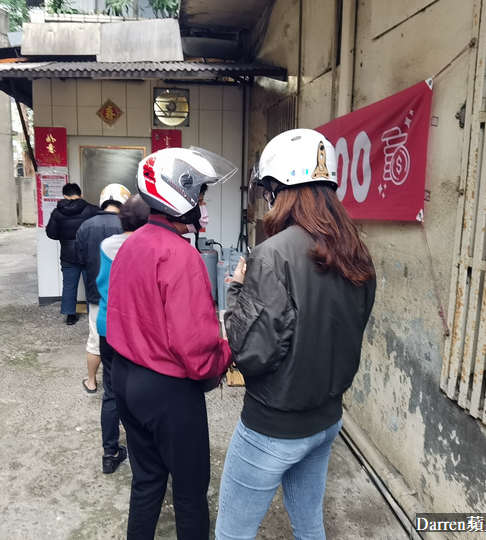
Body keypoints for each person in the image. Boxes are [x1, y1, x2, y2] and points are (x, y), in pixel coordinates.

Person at [215, 129, 376, 540]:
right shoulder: (355, 249)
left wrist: (236, 289)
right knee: (309, 526)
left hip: (273, 426)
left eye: (269, 191)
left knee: (233, 533)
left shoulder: (271, 254)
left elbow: (249, 353)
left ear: (278, 191)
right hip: (327, 419)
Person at [106, 147, 236, 539]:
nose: (203, 202)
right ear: (179, 197)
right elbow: (196, 349)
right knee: (191, 492)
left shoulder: (132, 243)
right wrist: (227, 356)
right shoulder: (180, 256)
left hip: (126, 377)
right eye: (199, 194)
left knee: (146, 482)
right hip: (168, 389)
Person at [95, 195, 151, 474]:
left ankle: (110, 452)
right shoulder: (145, 248)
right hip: (133, 330)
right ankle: (144, 454)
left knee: (111, 391)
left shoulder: (106, 245)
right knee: (140, 390)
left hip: (106, 326)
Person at [76, 184, 131, 393]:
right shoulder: (127, 228)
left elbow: (79, 260)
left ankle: (91, 381)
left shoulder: (85, 226)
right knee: (124, 340)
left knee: (95, 341)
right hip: (123, 296)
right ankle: (122, 384)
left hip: (95, 293)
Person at [45, 183, 99, 325]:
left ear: (64, 196)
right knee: (91, 285)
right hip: (88, 254)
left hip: (68, 254)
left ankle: (70, 316)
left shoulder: (57, 212)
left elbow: (51, 233)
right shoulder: (92, 210)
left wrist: (65, 237)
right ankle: (92, 314)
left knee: (69, 285)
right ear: (80, 194)